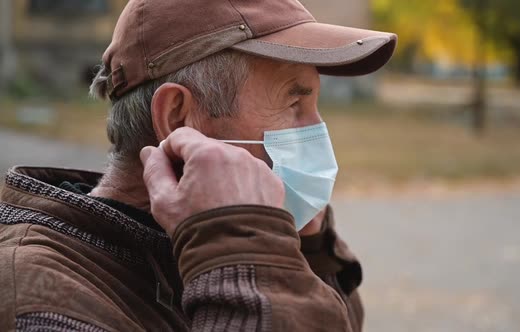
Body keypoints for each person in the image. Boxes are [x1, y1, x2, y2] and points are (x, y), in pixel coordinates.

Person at [0, 0, 396, 331]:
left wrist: (308, 253)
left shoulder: (196, 243)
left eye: (315, 106)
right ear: (177, 119)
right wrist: (246, 256)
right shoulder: (40, 301)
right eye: (294, 104)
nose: (319, 132)